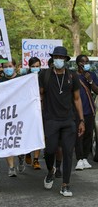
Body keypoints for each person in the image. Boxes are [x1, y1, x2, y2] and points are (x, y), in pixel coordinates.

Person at [39, 46, 85, 197]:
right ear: (53, 58)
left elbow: (77, 99)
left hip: (68, 120)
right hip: (51, 119)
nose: (58, 60)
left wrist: (81, 120)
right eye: (56, 57)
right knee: (50, 150)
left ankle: (65, 185)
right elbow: (38, 96)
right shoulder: (44, 75)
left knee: (67, 152)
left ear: (65, 60)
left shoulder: (72, 76)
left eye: (61, 57)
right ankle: (51, 170)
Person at [74, 54, 98, 170]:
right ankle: (79, 159)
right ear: (79, 64)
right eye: (85, 62)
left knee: (88, 134)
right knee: (79, 135)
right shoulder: (73, 75)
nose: (87, 64)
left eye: (88, 62)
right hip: (77, 111)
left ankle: (84, 158)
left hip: (89, 110)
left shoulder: (92, 75)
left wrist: (90, 81)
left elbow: (97, 91)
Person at [24, 57, 42, 170]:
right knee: (29, 132)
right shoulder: (24, 79)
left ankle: (36, 160)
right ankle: (27, 152)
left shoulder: (44, 77)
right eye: (33, 66)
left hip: (41, 109)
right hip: (28, 110)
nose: (36, 68)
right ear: (29, 67)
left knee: (39, 133)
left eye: (37, 66)